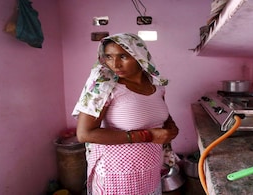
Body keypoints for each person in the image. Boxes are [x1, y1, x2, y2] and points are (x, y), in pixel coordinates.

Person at [72, 33, 179, 195]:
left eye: (123, 56)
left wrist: (171, 127)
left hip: (150, 168)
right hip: (117, 173)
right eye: (108, 56)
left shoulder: (156, 86)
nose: (115, 64)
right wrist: (146, 135)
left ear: (139, 56)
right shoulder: (104, 87)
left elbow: (160, 114)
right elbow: (84, 134)